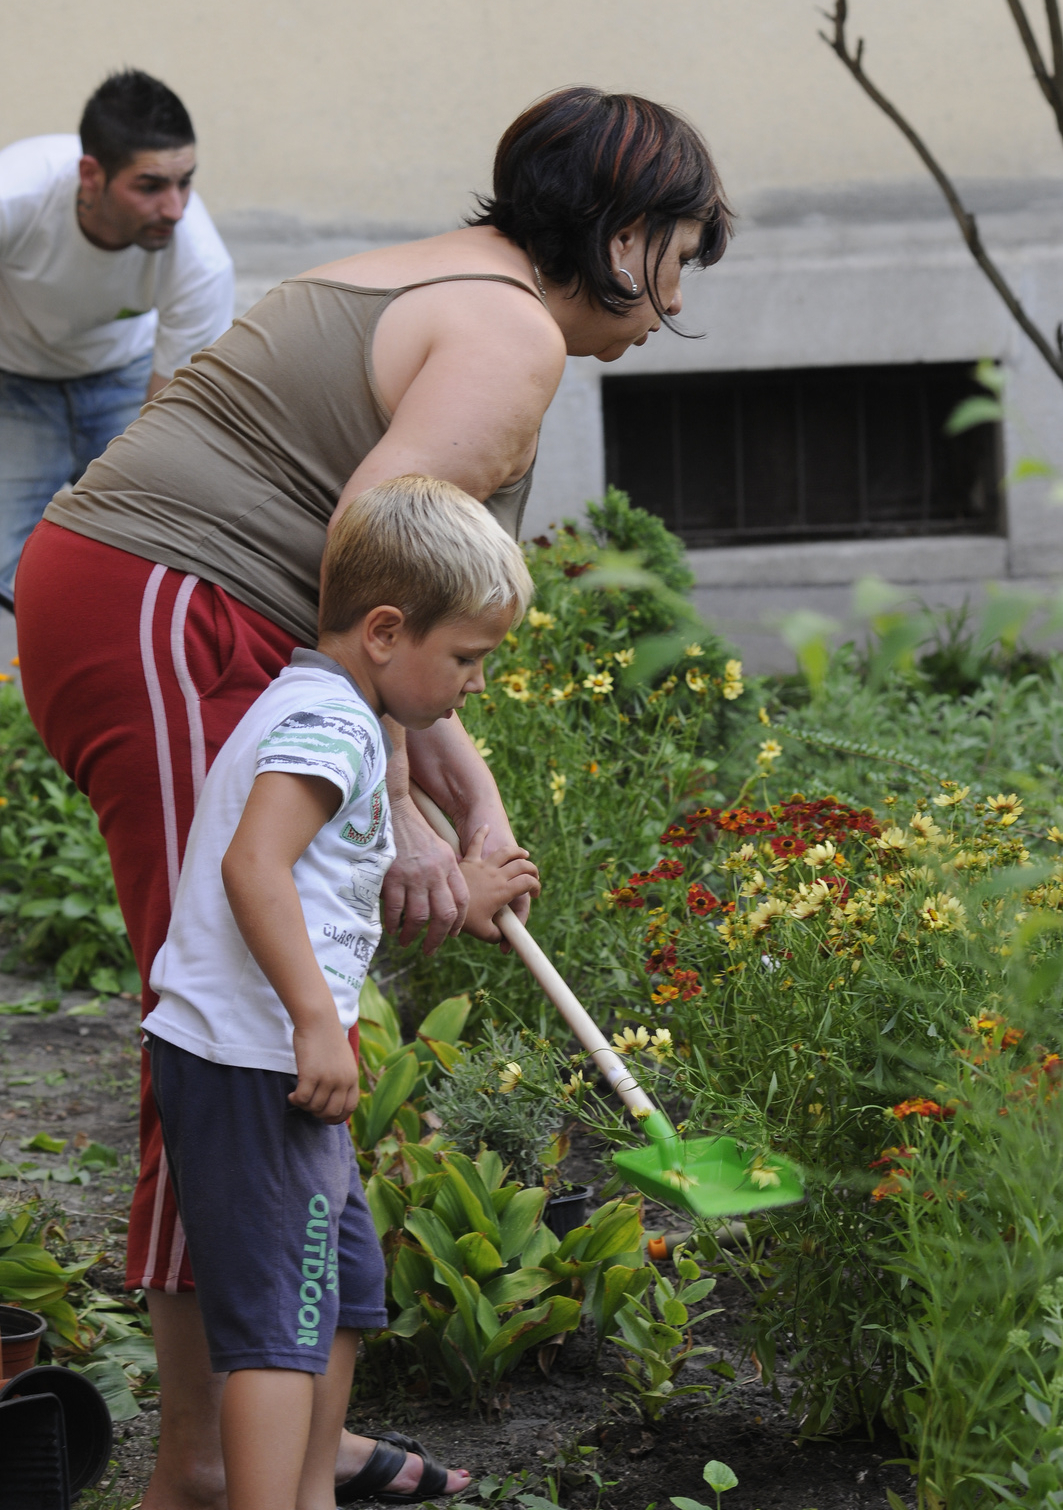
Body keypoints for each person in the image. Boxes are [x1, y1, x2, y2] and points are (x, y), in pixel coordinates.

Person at [15, 85, 732, 1508]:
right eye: (682, 249)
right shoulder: (509, 332)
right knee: (224, 1025)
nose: (678, 289)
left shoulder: (454, 287)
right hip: (175, 610)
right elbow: (373, 582)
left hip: (202, 616)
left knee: (260, 1019)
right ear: (627, 231)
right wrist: (396, 820)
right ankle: (212, 1458)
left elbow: (402, 627)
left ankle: (272, 1430)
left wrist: (469, 804)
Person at [143, 476, 539, 1510]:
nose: (472, 685)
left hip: (273, 1051)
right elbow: (255, 868)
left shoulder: (335, 710)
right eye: (464, 657)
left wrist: (467, 892)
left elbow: (327, 887)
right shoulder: (328, 721)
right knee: (283, 1314)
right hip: (251, 1057)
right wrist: (319, 1023)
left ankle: (309, 1491)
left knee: (338, 1288)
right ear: (383, 630)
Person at [0, 68, 233, 607]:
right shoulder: (16, 197)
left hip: (126, 377)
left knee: (149, 546)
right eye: (150, 186)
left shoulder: (200, 262)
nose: (175, 209)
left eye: (185, 181)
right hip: (13, 383)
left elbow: (170, 425)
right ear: (91, 174)